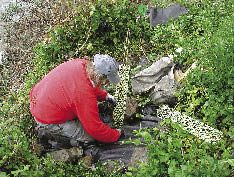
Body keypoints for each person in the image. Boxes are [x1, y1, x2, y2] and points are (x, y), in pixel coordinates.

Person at [29, 54, 121, 146]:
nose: (105, 84)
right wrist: (116, 134)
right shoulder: (84, 95)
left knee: (82, 111)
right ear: (100, 78)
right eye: (107, 81)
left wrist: (105, 96)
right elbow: (94, 129)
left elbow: (86, 83)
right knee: (90, 137)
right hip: (45, 116)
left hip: (40, 96)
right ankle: (56, 137)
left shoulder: (81, 63)